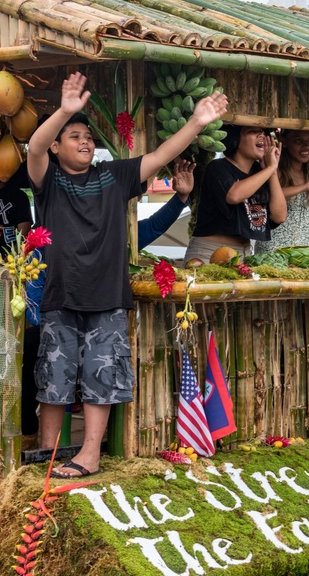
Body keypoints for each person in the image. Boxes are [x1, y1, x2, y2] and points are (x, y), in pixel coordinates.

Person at [27, 72, 227, 479]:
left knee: (102, 376)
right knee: (54, 375)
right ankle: (46, 452)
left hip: (107, 296)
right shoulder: (49, 180)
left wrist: (196, 123)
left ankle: (89, 455)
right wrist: (65, 110)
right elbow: (32, 148)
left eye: (88, 136)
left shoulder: (112, 176)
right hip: (60, 294)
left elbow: (158, 157)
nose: (85, 142)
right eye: (74, 136)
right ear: (57, 146)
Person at [17, 158, 195, 450]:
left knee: (99, 379)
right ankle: (40, 445)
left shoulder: (110, 231)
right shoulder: (44, 237)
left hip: (98, 320)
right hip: (50, 323)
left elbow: (149, 228)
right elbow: (32, 289)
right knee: (43, 372)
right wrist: (42, 321)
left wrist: (180, 199)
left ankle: (90, 451)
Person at [184, 126, 287, 263]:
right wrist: (270, 168)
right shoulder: (218, 167)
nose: (262, 135)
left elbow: (280, 216)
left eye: (264, 132)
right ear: (235, 140)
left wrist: (272, 172)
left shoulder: (261, 173)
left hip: (243, 254)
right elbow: (234, 195)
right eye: (252, 131)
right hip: (209, 251)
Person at [254, 129, 309, 265]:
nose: (306, 146)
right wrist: (305, 187)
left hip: (305, 259)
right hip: (273, 255)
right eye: (298, 140)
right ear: (285, 142)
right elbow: (269, 196)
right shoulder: (273, 171)